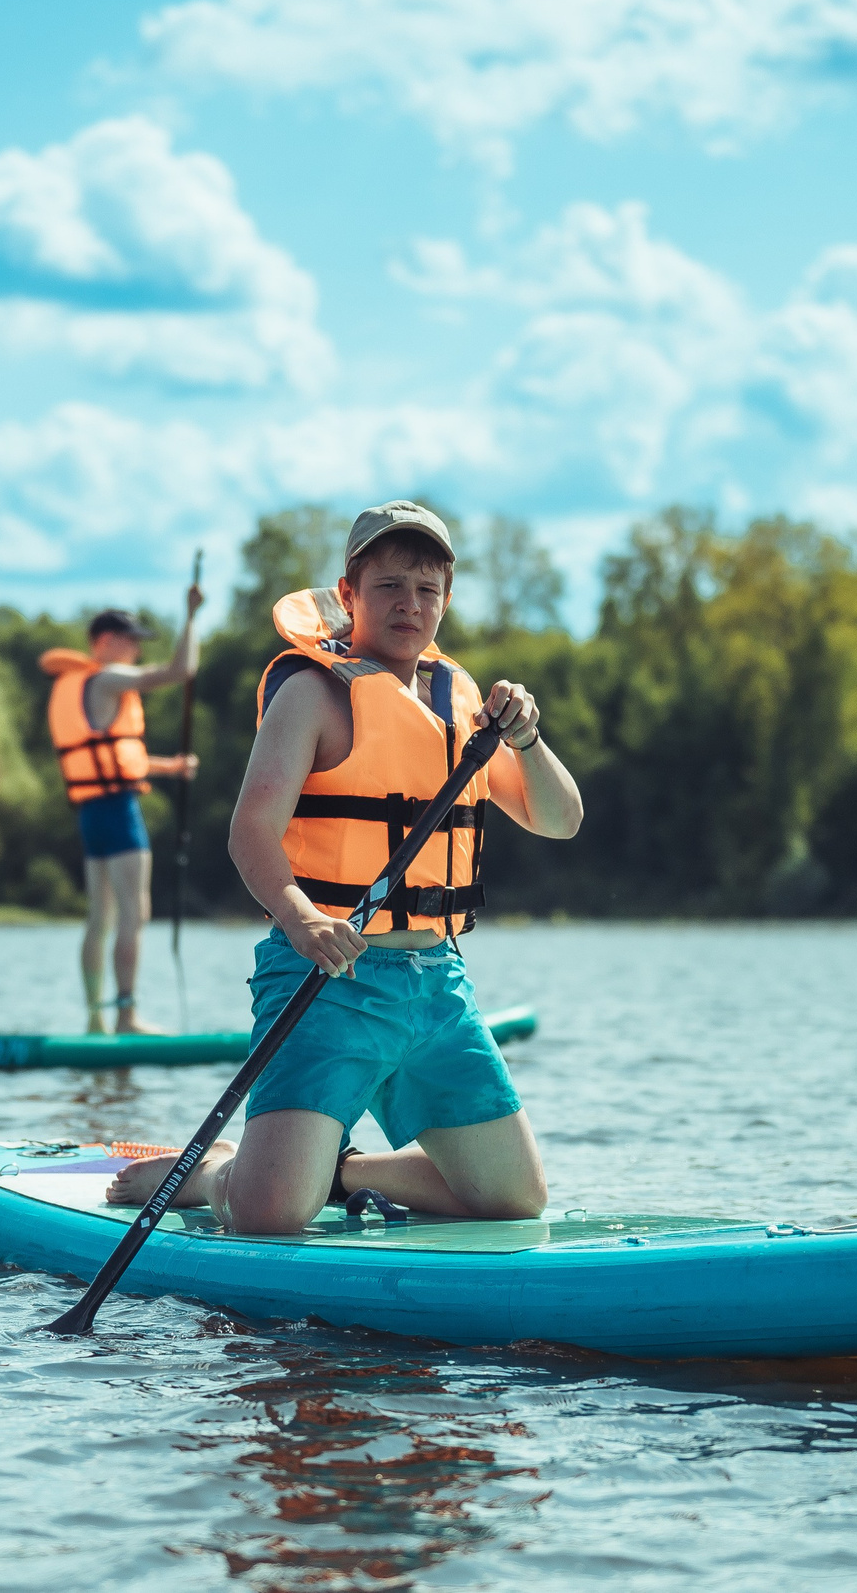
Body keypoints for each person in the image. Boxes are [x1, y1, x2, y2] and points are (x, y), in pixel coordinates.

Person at [108, 501, 582, 1229]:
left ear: (446, 601)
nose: (410, 604)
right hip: (328, 978)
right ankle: (211, 1172)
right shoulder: (311, 692)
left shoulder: (464, 704)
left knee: (514, 1200)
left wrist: (526, 740)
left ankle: (340, 1169)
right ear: (349, 593)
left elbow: (561, 819)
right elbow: (251, 831)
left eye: (427, 590)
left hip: (436, 987)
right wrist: (299, 916)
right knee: (270, 1214)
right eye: (390, 585)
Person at [40, 596, 201, 1034]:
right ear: (107, 642)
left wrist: (170, 766)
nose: (137, 651)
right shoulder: (108, 677)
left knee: (100, 916)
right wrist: (189, 615)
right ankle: (127, 1016)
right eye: (132, 642)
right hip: (117, 811)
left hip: (92, 811)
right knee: (134, 913)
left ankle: (96, 1018)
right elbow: (177, 672)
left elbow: (115, 757)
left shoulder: (80, 685)